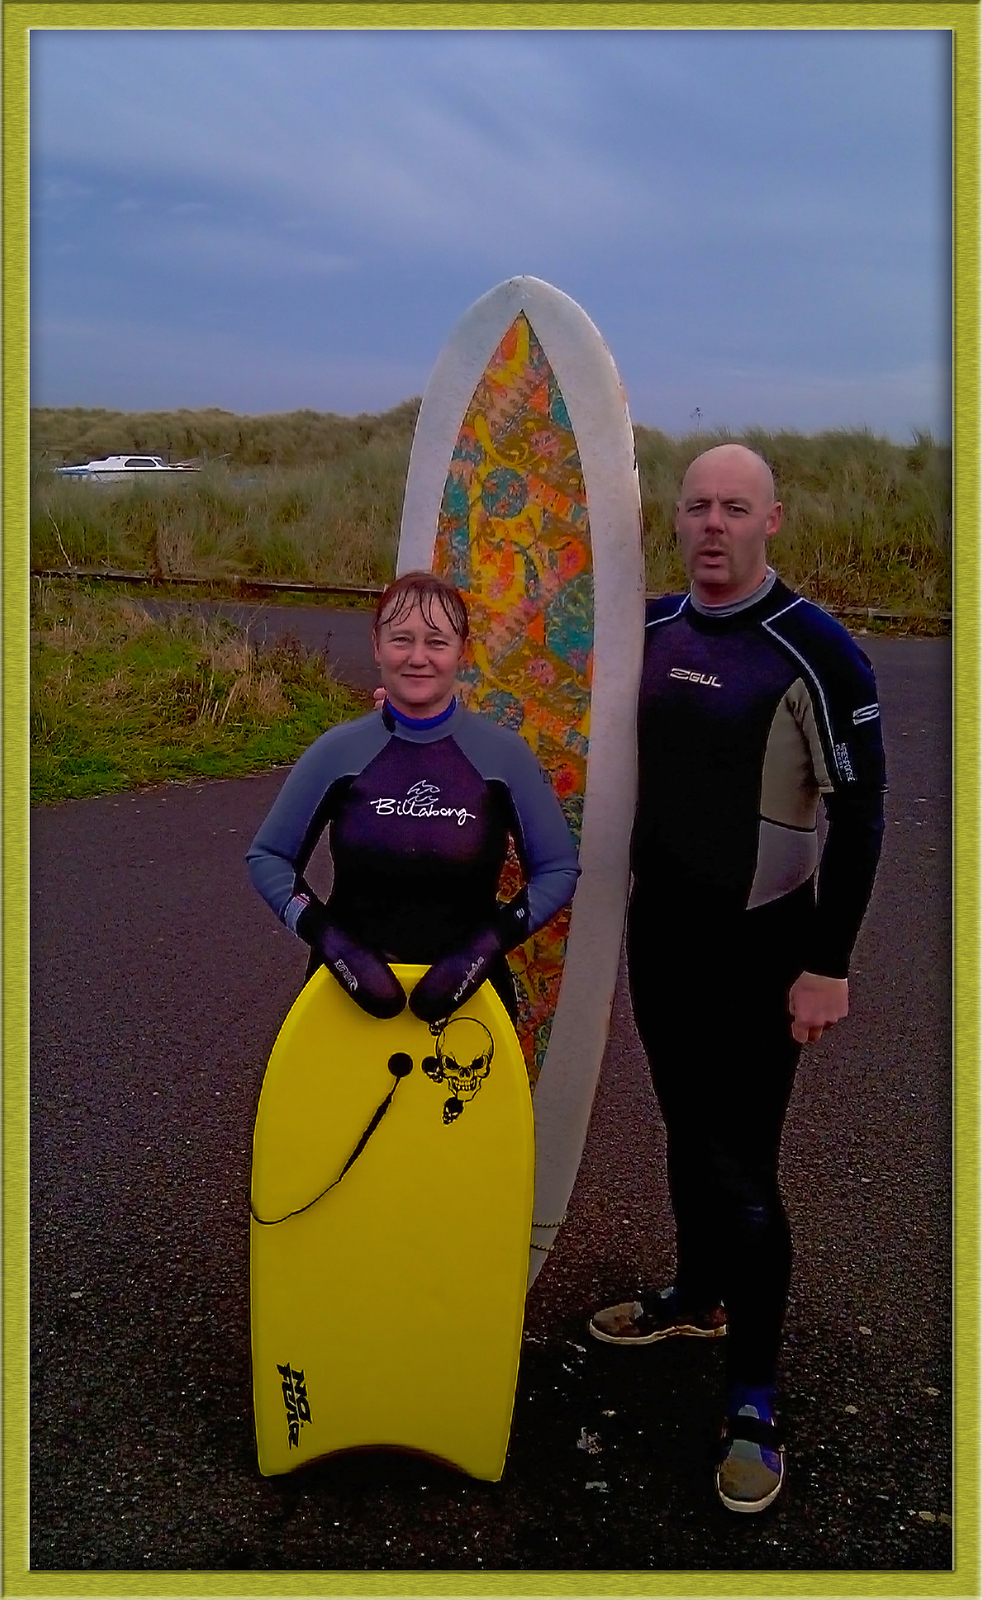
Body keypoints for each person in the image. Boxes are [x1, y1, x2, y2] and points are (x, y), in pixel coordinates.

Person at [588, 444, 886, 1515]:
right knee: (682, 1126)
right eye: (696, 507)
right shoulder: (650, 632)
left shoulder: (817, 653)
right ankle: (695, 1294)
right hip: (658, 934)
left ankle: (753, 1397)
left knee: (740, 1162)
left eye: (734, 508)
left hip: (762, 950)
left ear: (773, 519)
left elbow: (859, 817)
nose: (712, 524)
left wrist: (828, 964)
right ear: (675, 519)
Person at [246, 570, 579, 1030]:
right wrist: (330, 941)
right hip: (348, 995)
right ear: (377, 645)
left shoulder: (504, 756)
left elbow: (558, 869)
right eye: (401, 639)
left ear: (462, 650)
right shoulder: (338, 751)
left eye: (436, 642)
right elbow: (269, 857)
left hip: (469, 999)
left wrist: (488, 945)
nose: (417, 658)